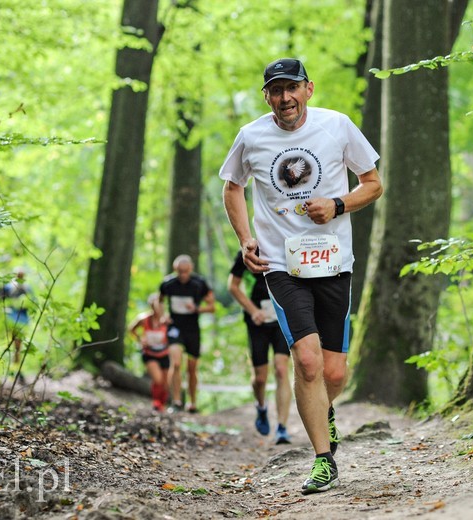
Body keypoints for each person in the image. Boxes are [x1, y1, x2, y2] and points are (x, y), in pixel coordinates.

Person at [220, 58, 383, 495]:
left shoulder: (337, 126)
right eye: (275, 91)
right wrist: (245, 238)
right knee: (307, 361)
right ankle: (323, 460)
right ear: (266, 96)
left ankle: (323, 410)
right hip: (279, 264)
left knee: (333, 373)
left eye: (292, 88)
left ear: (309, 89)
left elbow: (373, 183)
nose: (284, 98)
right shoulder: (251, 136)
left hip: (332, 262)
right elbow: (232, 186)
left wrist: (338, 204)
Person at [228, 250, 292, 445]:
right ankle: (261, 407)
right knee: (260, 378)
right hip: (257, 320)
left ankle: (282, 428)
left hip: (283, 317)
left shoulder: (287, 246)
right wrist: (253, 310)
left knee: (281, 369)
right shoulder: (247, 253)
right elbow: (233, 286)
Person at [157, 254, 215, 413]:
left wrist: (197, 309)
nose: (182, 275)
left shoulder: (199, 283)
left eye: (185, 271)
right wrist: (163, 315)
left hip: (192, 329)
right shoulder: (168, 283)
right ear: (175, 270)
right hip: (175, 327)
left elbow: (212, 306)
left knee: (192, 368)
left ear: (191, 269)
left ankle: (192, 402)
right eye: (179, 271)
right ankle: (175, 401)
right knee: (175, 363)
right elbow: (159, 300)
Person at [129, 294, 171, 412]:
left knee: (166, 383)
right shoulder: (144, 319)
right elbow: (131, 329)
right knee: (158, 379)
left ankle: (162, 404)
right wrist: (140, 340)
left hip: (164, 353)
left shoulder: (167, 320)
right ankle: (156, 403)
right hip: (149, 353)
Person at [0, 268, 33, 364]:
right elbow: (0, 299)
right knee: (14, 340)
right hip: (12, 317)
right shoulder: (9, 287)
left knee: (18, 341)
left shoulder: (27, 288)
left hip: (22, 318)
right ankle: (14, 361)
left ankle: (16, 362)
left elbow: (32, 302)